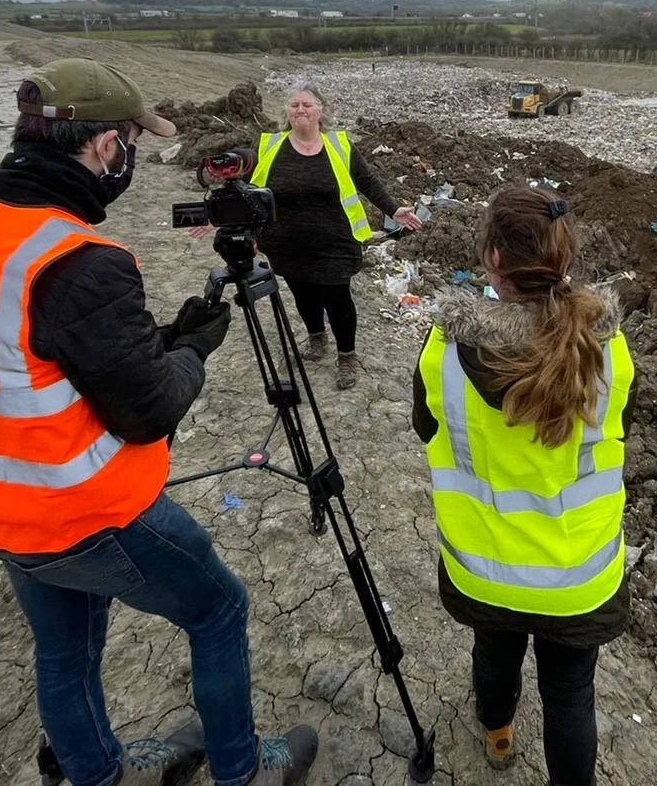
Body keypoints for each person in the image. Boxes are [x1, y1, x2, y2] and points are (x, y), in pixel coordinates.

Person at [0, 58, 319, 786]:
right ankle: (242, 770)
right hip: (84, 511)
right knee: (219, 610)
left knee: (65, 650)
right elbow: (148, 411)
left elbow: (28, 350)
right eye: (132, 142)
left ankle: (97, 775)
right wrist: (190, 348)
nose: (131, 157)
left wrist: (151, 343)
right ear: (104, 147)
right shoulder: (78, 261)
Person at [411, 186, 634, 786]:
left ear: (493, 259)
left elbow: (425, 427)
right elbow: (620, 429)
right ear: (564, 259)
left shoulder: (445, 350)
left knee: (495, 652)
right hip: (578, 572)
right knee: (570, 692)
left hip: (484, 564)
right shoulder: (607, 348)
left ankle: (498, 733)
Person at [249, 85, 421, 390]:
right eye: (294, 104)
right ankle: (316, 338)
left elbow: (367, 181)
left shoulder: (339, 145)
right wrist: (230, 223)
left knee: (337, 299)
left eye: (306, 104)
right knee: (303, 294)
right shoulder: (269, 145)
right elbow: (249, 190)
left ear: (321, 110)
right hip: (285, 243)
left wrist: (394, 210)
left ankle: (346, 355)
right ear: (287, 111)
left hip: (334, 242)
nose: (300, 110)